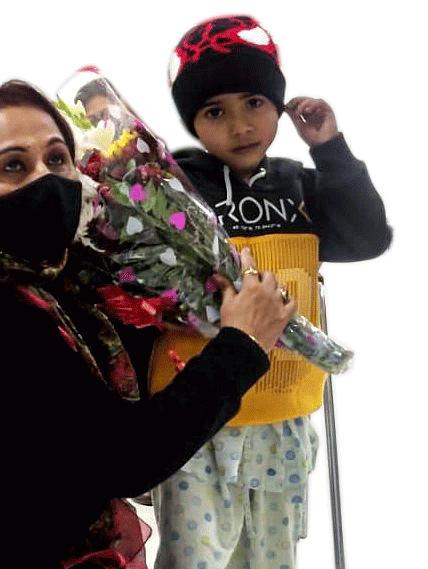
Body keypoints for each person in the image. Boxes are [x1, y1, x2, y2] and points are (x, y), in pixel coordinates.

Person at [0, 79, 297, 569]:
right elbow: (126, 455)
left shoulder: (46, 283)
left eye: (57, 159)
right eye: (13, 166)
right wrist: (242, 342)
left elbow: (84, 416)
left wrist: (183, 297)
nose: (46, 179)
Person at [149, 15, 392, 569]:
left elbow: (368, 237)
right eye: (215, 112)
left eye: (255, 103)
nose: (240, 126)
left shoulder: (298, 183)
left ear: (278, 107)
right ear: (193, 121)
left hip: (283, 411)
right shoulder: (173, 186)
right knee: (193, 559)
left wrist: (329, 149)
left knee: (271, 558)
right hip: (199, 417)